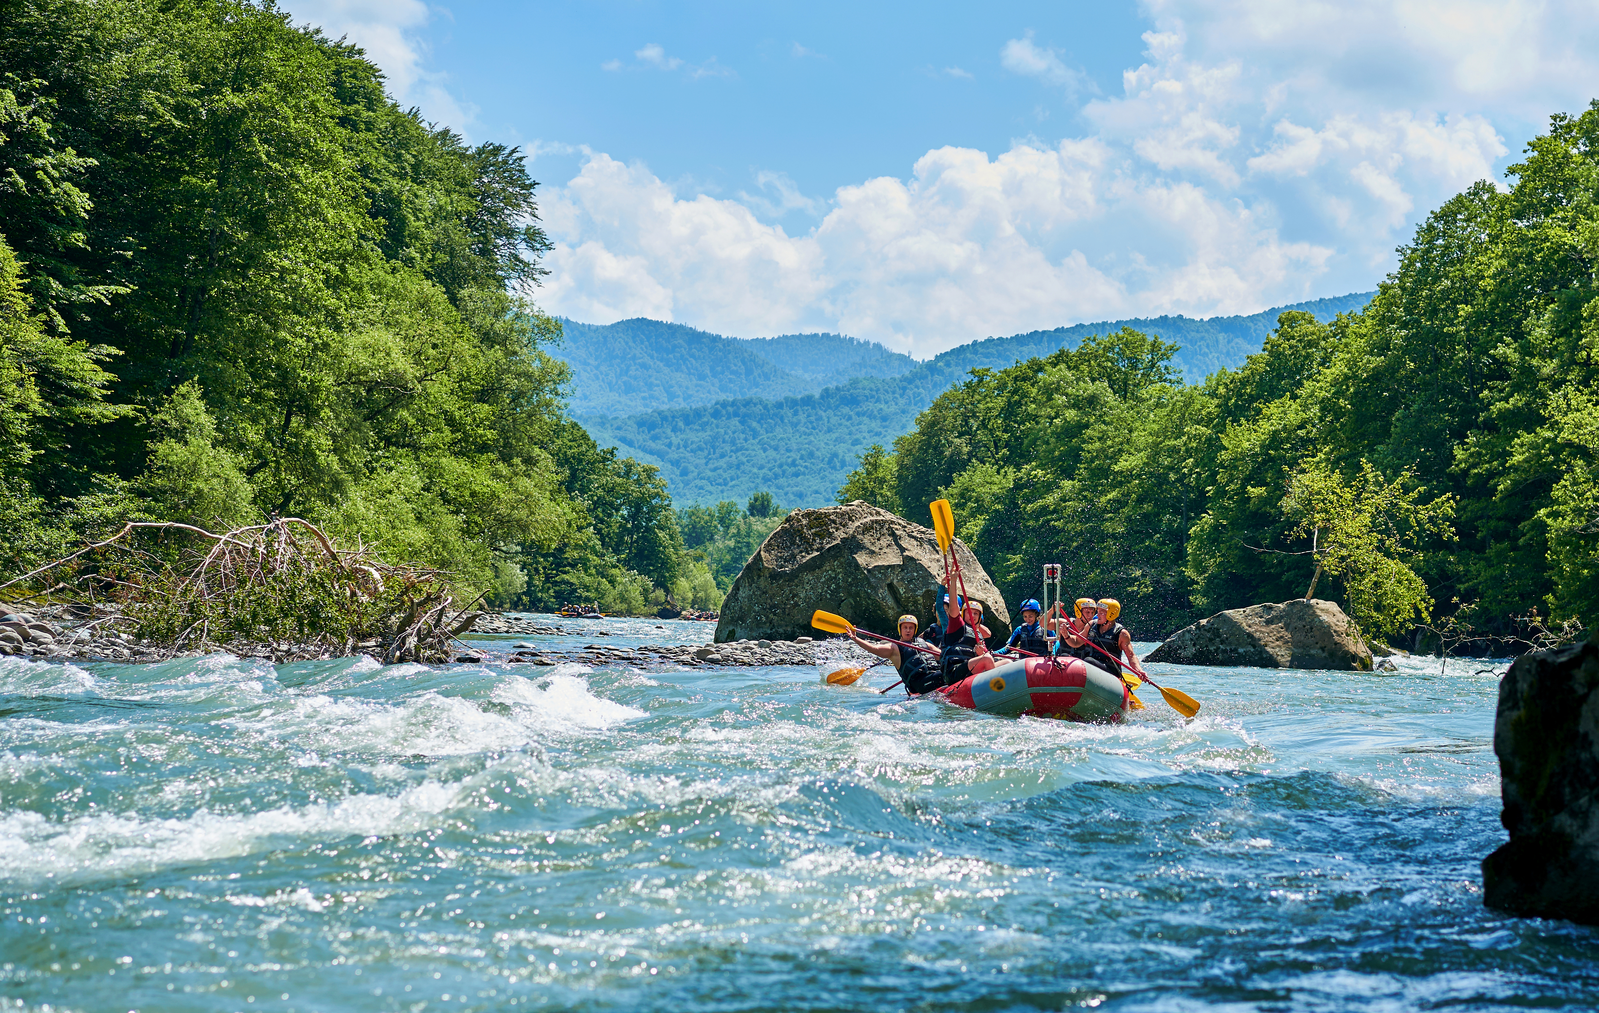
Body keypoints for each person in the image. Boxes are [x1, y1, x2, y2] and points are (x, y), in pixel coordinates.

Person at [845, 614, 941, 695]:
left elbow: (943, 655)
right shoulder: (894, 648)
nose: (908, 630)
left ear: (915, 630)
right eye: (905, 628)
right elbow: (874, 648)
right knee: (945, 675)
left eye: (911, 628)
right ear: (900, 630)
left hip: (934, 676)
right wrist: (855, 639)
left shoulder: (923, 643)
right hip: (920, 684)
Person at [1083, 598, 1146, 683]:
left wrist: (1139, 670)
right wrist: (1066, 635)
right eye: (1098, 612)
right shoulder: (1091, 625)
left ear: (1111, 614)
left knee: (1088, 661)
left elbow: (1131, 656)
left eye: (1101, 612)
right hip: (1091, 669)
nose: (1097, 615)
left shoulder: (1121, 633)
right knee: (1084, 660)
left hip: (1110, 672)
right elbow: (1077, 641)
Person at [938, 599, 990, 687]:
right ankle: (994, 687)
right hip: (954, 670)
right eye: (969, 613)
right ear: (963, 614)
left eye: (976, 613)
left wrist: (981, 654)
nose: (972, 615)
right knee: (987, 659)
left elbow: (986, 653)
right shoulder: (956, 627)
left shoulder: (978, 634)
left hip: (969, 668)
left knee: (1006, 662)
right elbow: (952, 610)